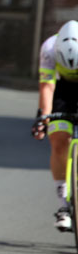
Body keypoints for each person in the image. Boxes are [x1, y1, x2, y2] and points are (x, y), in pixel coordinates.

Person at [32, 20, 78, 232]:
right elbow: (47, 86)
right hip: (63, 89)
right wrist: (44, 117)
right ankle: (63, 206)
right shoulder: (49, 47)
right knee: (58, 139)